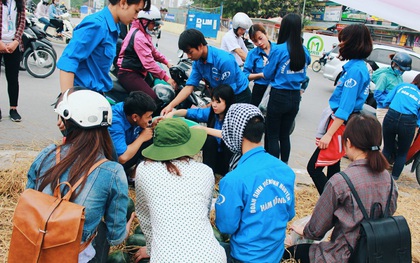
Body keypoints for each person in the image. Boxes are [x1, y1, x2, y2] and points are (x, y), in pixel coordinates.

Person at [26, 88, 134, 262]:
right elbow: (115, 236)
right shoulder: (113, 172)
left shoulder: (46, 154)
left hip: (35, 247)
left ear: (68, 122)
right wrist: (128, 226)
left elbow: (28, 200)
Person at [284, 114, 397, 263]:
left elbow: (316, 231)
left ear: (348, 143)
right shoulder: (389, 179)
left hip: (344, 255)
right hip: (375, 253)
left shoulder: (341, 181)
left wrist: (303, 231)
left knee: (287, 252)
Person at [134, 118, 227, 262]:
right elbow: (204, 213)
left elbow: (144, 216)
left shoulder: (143, 171)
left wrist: (152, 248)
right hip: (211, 257)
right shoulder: (205, 172)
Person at [216, 103, 295, 262]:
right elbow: (289, 213)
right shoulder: (285, 170)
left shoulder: (233, 180)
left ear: (235, 132)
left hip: (245, 257)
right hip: (275, 255)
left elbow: (226, 226)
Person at [306, 24, 372, 195]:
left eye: (342, 41)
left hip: (340, 125)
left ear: (352, 43)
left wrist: (328, 134)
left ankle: (332, 202)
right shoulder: (356, 67)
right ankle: (335, 204)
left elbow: (345, 107)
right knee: (333, 166)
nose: (340, 45)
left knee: (314, 167)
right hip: (341, 123)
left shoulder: (355, 71)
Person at [57, 0, 150, 93]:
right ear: (123, 3)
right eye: (136, 11)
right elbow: (69, 60)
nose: (136, 17)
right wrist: (68, 100)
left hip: (97, 94)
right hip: (83, 96)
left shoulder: (113, 27)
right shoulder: (97, 25)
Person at [160, 29, 251, 115]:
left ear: (200, 46)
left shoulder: (224, 60)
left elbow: (229, 92)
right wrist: (170, 106)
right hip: (221, 95)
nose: (188, 56)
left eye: (190, 52)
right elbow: (189, 87)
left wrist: (211, 105)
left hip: (239, 95)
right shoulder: (198, 62)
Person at [261, 13, 311, 163]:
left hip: (278, 96)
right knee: (284, 135)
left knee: (272, 135)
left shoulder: (278, 49)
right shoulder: (304, 50)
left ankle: (272, 166)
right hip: (295, 97)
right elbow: (304, 74)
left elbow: (267, 74)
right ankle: (284, 165)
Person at [167, 84, 234, 177]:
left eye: (218, 102)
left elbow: (228, 135)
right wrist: (173, 113)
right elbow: (190, 112)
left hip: (229, 160)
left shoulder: (234, 117)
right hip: (214, 158)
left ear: (228, 102)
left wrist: (203, 129)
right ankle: (209, 175)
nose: (214, 105)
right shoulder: (211, 112)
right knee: (210, 141)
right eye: (213, 100)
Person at [117, 5, 176, 101]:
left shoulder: (143, 34)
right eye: (153, 24)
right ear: (145, 21)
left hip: (137, 73)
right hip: (129, 74)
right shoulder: (138, 36)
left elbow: (153, 52)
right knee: (151, 99)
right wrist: (166, 78)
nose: (154, 27)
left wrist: (167, 62)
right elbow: (149, 63)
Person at [108, 91, 157, 182]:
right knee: (147, 137)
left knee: (153, 135)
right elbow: (122, 158)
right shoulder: (115, 122)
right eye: (149, 116)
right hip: (109, 162)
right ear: (135, 117)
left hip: (125, 146)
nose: (150, 119)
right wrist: (142, 137)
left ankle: (133, 175)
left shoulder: (131, 109)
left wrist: (152, 125)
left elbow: (144, 127)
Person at [382, 74, 420, 180]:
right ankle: (393, 179)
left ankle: (378, 174)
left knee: (387, 149)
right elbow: (418, 120)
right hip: (408, 122)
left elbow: (386, 101)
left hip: (391, 116)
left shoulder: (402, 86)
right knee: (402, 153)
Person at [0, 0, 25, 122]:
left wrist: (16, 41)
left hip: (13, 44)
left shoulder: (20, 2)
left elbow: (21, 22)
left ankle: (13, 109)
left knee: (13, 78)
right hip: (0, 42)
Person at [373, 52, 412, 125]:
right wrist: (390, 102)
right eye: (400, 69)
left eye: (403, 70)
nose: (401, 71)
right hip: (383, 110)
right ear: (394, 65)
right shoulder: (384, 76)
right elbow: (377, 95)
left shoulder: (399, 77)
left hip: (393, 111)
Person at [243, 23, 273, 107]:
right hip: (259, 89)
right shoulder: (252, 54)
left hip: (275, 89)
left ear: (266, 34)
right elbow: (245, 75)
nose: (259, 43)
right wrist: (261, 75)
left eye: (260, 38)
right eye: (255, 41)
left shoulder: (277, 50)